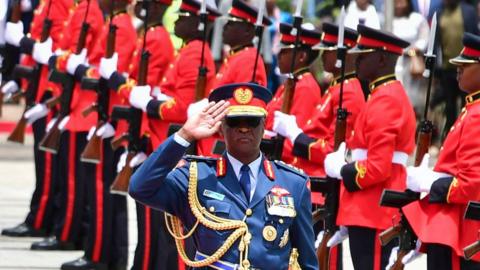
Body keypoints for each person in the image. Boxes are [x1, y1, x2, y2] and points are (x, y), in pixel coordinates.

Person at [129, 82, 318, 270]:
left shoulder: (293, 183)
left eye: (251, 121)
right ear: (221, 128)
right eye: (235, 121)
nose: (244, 129)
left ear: (264, 125)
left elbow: (307, 261)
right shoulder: (196, 177)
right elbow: (140, 188)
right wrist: (184, 135)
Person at [324, 24, 416, 270]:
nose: (357, 60)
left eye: (364, 55)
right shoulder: (380, 94)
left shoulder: (386, 98)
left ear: (382, 58)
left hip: (375, 207)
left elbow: (377, 167)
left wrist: (343, 170)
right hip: (367, 206)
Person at [98, 0, 178, 269]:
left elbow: (146, 89)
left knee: (149, 217)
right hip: (139, 129)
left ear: (157, 7)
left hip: (149, 133)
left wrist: (118, 81)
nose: (140, 5)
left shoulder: (156, 38)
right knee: (143, 216)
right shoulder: (148, 34)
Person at [400, 32, 480, 270]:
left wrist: (431, 183)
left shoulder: (476, 115)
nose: (458, 70)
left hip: (463, 231)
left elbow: (472, 182)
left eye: (465, 66)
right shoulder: (470, 109)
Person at [1, 0, 73, 238]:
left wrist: (23, 41)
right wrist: (20, 80)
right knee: (44, 165)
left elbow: (56, 52)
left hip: (50, 94)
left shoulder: (59, 4)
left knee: (49, 166)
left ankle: (41, 219)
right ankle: (40, 216)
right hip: (40, 88)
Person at [195, 0, 272, 157]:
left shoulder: (249, 60)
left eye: (231, 24)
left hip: (226, 146)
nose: (224, 28)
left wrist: (209, 111)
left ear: (248, 31)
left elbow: (242, 108)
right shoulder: (234, 56)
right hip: (212, 140)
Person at [264, 22, 322, 161]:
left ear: (301, 57)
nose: (278, 56)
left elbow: (295, 138)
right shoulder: (291, 83)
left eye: (284, 52)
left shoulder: (305, 87)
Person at [432, 0, 479, 140]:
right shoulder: (440, 13)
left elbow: (474, 37)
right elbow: (435, 42)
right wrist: (435, 69)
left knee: (468, 103)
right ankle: (450, 136)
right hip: (448, 67)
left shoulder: (468, 11)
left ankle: (466, 134)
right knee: (449, 105)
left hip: (469, 65)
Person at [393, 0, 430, 119]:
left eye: (402, 2)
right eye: (396, 2)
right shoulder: (389, 19)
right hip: (395, 61)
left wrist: (413, 49)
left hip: (411, 62)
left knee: (412, 97)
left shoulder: (417, 19)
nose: (399, 5)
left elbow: (424, 39)